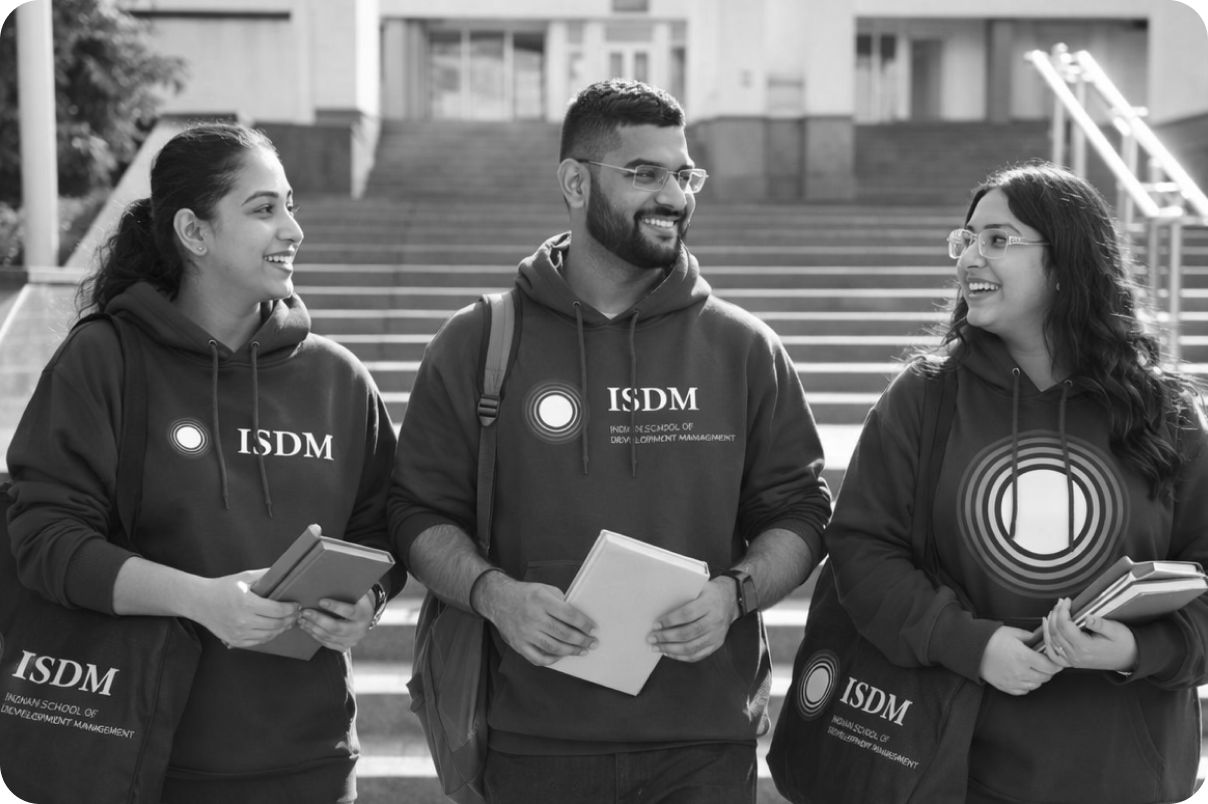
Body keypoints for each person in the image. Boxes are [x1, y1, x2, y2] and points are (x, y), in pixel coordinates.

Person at [389, 79, 831, 803]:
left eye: (683, 175)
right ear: (573, 180)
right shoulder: (478, 342)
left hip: (703, 745)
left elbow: (802, 512)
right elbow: (415, 512)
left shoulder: (744, 348)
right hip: (528, 745)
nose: (674, 196)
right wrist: (494, 595)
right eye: (644, 173)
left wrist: (734, 594)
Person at [5, 122, 402, 803]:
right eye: (263, 209)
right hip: (142, 760)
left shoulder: (339, 379)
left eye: (291, 205)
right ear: (194, 232)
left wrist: (365, 601)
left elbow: (383, 529)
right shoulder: (104, 360)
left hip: (313, 763)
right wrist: (202, 601)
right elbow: (45, 541)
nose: (292, 230)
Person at [825, 162, 1208, 804]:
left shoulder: (1163, 412)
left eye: (998, 239)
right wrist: (972, 645)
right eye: (966, 239)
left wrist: (1132, 649)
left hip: (1125, 773)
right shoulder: (923, 399)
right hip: (952, 766)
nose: (969, 257)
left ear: (1066, 264)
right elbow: (862, 552)